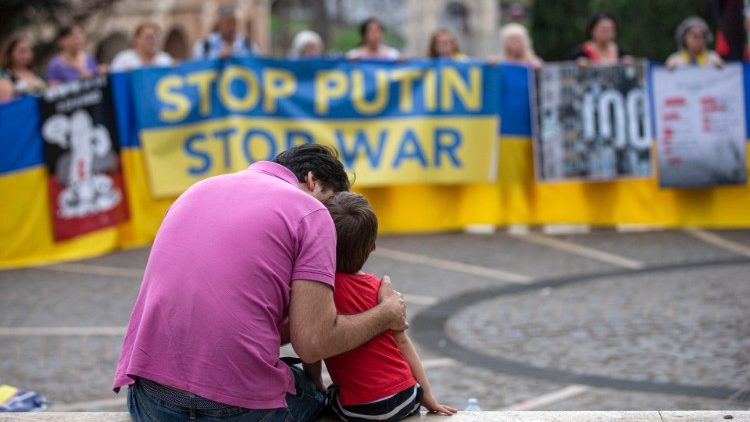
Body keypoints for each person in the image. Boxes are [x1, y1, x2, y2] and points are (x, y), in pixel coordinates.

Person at [113, 144, 409, 422]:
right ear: (312, 181)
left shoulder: (196, 190)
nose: (333, 224)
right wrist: (386, 314)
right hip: (239, 411)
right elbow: (314, 344)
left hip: (149, 401)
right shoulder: (312, 212)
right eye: (333, 206)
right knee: (322, 398)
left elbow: (231, 318)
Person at [321, 192, 457, 421]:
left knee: (325, 397)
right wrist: (428, 397)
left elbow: (312, 349)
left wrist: (316, 384)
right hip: (406, 397)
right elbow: (403, 342)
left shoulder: (320, 290)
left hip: (360, 409)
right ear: (372, 247)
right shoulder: (380, 289)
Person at [193, 5, 258, 59]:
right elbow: (198, 68)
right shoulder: (204, 47)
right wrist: (218, 58)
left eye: (234, 23)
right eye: (227, 23)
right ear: (219, 23)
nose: (231, 27)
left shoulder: (249, 46)